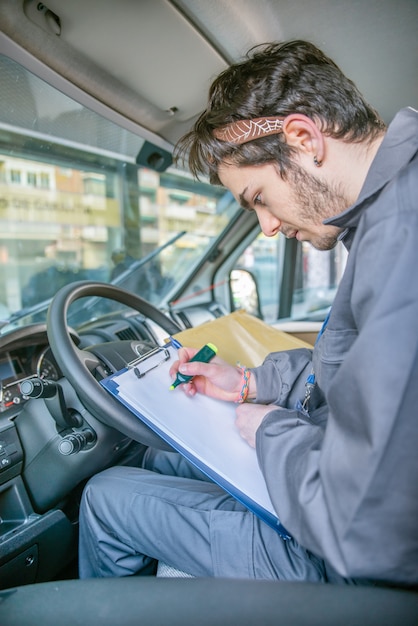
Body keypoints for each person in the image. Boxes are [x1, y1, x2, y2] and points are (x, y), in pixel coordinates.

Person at [78, 40, 418, 587]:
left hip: (344, 560)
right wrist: (248, 382)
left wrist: (270, 430)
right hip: (335, 474)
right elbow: (357, 370)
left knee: (104, 496)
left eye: (259, 196)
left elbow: (368, 525)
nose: (266, 226)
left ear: (304, 138)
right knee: (160, 462)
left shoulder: (403, 237)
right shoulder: (386, 215)